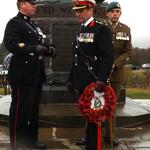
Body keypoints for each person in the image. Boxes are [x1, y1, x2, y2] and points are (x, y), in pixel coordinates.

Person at [3, 0, 56, 149]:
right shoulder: (14, 23)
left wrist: (50, 48)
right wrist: (35, 48)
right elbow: (11, 44)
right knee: (20, 110)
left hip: (36, 73)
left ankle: (31, 140)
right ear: (22, 4)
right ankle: (17, 143)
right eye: (32, 3)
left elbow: (42, 42)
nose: (34, 6)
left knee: (32, 111)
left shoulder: (33, 25)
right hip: (22, 74)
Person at [67, 0, 114, 149]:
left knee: (95, 118)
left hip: (94, 81)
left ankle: (93, 147)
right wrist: (71, 79)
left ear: (90, 9)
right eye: (76, 11)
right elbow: (76, 59)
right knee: (88, 115)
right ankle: (89, 143)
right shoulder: (81, 29)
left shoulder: (101, 29)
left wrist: (102, 79)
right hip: (81, 80)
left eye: (81, 10)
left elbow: (108, 56)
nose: (77, 14)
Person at [104, 1, 133, 146]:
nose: (115, 14)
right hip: (99, 74)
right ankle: (90, 135)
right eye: (112, 11)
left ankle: (110, 136)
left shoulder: (126, 29)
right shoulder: (100, 27)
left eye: (117, 11)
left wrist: (115, 64)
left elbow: (128, 52)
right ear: (107, 14)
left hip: (116, 75)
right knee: (94, 104)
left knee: (111, 107)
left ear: (120, 14)